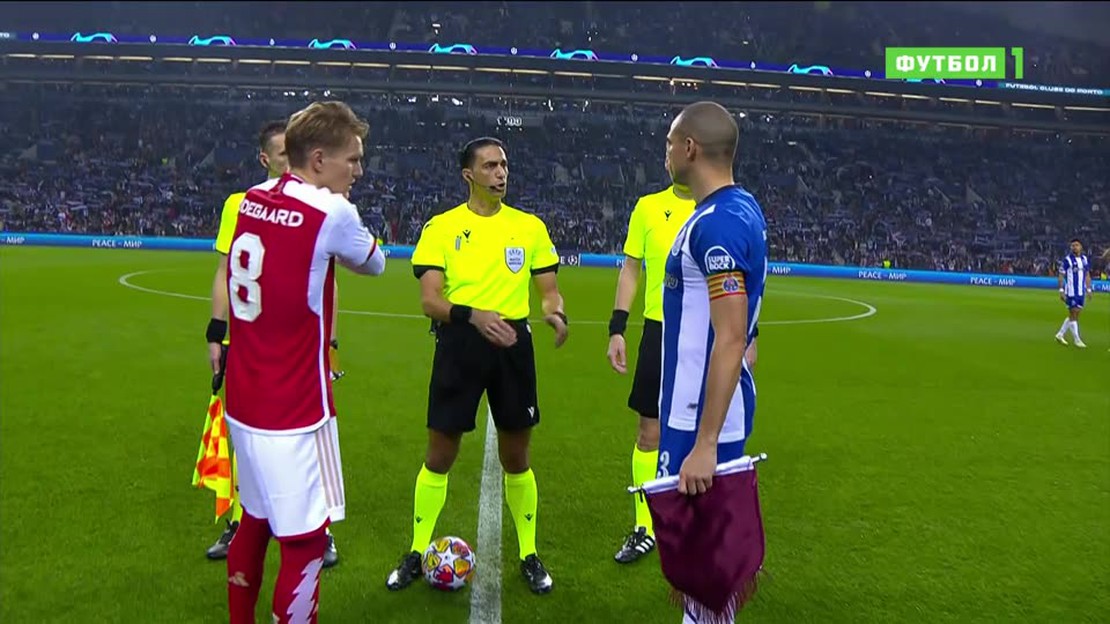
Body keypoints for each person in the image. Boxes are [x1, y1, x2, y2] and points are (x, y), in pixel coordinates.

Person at [222, 101, 385, 624]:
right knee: (307, 541)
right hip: (296, 407)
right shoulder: (332, 212)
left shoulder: (251, 199)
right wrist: (344, 223)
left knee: (254, 520)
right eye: (352, 160)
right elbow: (375, 263)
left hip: (244, 398)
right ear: (318, 159)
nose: (358, 171)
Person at [385, 137, 568, 595]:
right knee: (440, 454)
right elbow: (430, 301)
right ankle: (416, 550)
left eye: (503, 164)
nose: (500, 173)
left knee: (516, 457)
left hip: (513, 345)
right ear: (468, 174)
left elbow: (548, 291)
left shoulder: (529, 227)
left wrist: (555, 312)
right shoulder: (441, 227)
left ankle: (529, 554)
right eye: (489, 166)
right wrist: (473, 317)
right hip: (460, 342)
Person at [204, 121, 343, 567]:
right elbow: (226, 270)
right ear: (266, 158)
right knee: (246, 438)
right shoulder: (242, 203)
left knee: (312, 434)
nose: (291, 159)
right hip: (249, 346)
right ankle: (241, 522)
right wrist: (216, 331)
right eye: (283, 153)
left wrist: (330, 342)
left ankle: (321, 529)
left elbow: (330, 283)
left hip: (300, 349)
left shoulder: (319, 204)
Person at [656, 101, 767, 624]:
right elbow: (746, 330)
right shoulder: (738, 210)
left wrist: (704, 444)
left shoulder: (715, 225)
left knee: (707, 571)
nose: (666, 153)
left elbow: (730, 337)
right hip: (702, 413)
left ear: (690, 148)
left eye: (670, 143)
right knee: (702, 571)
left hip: (700, 422)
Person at [1054, 238, 1092, 348]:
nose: (1074, 247)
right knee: (1074, 313)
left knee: (1074, 314)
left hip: (1081, 291)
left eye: (1076, 245)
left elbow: (1087, 275)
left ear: (1081, 247)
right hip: (1071, 291)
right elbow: (1061, 275)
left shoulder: (1084, 259)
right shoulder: (1067, 260)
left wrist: (1089, 289)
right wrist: (1061, 290)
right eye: (1073, 245)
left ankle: (1060, 334)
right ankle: (1077, 339)